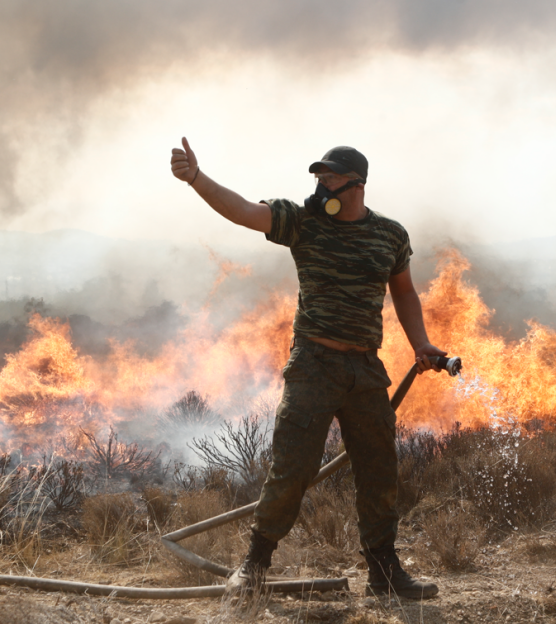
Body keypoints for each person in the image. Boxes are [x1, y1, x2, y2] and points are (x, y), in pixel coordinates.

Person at [170, 138, 444, 599]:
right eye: (319, 177)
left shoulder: (391, 235)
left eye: (331, 177)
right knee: (291, 469)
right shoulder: (302, 222)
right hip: (313, 365)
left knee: (379, 472)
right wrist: (196, 178)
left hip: (365, 370)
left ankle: (384, 573)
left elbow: (404, 293)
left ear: (357, 184)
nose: (322, 185)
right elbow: (241, 210)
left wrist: (422, 344)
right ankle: (254, 566)